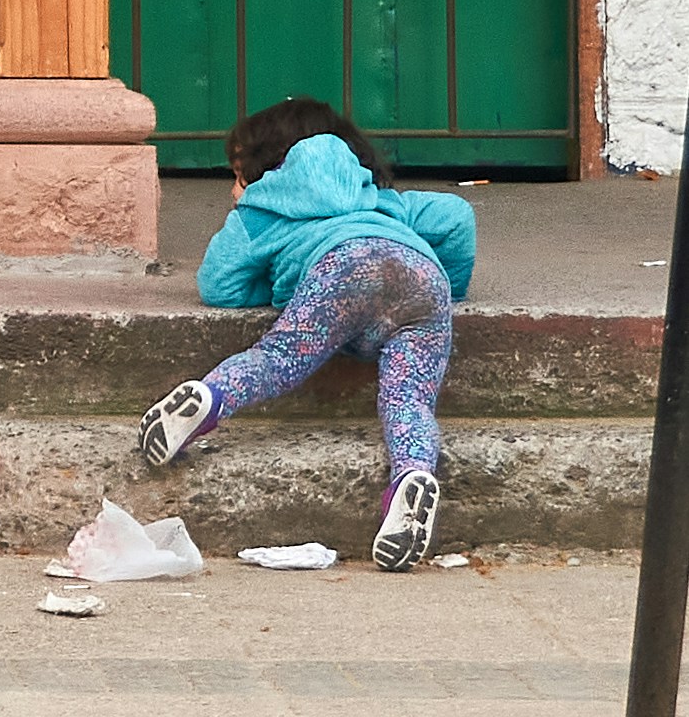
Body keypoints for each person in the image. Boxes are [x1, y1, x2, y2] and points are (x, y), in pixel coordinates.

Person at [136, 97, 477, 571]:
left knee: (279, 357)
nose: (234, 191)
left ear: (269, 170)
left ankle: (209, 399)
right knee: (410, 399)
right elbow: (457, 219)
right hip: (421, 277)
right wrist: (450, 287)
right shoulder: (377, 197)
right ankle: (411, 476)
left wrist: (273, 279)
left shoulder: (261, 210)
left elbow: (218, 285)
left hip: (339, 269)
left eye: (238, 177)